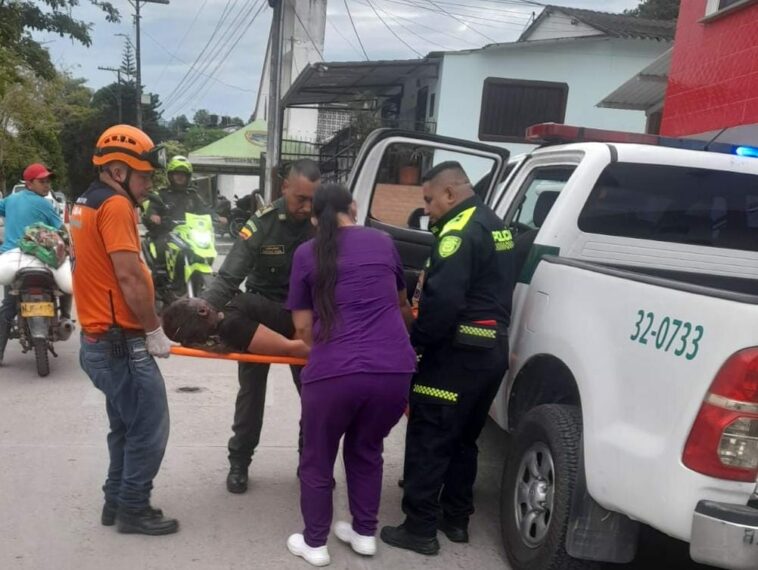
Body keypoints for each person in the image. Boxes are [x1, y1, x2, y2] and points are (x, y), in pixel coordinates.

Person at [380, 162, 515, 555]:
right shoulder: (496, 224)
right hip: (491, 352)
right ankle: (456, 520)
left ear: (450, 195)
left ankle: (419, 528)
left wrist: (416, 343)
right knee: (463, 439)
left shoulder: (456, 233)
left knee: (429, 435)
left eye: (429, 200)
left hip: (456, 354)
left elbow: (444, 303)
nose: (426, 209)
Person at [284, 183, 416, 566]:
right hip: (394, 370)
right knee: (366, 449)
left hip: (334, 372)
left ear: (314, 219)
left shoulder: (306, 253)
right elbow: (401, 303)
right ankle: (363, 534)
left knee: (318, 456)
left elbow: (304, 328)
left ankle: (315, 543)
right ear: (353, 208)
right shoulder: (383, 241)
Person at [69, 124, 178, 536]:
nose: (149, 185)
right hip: (120, 341)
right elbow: (129, 276)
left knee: (126, 425)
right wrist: (153, 329)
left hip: (100, 339)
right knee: (149, 429)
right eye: (144, 176)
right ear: (117, 170)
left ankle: (115, 499)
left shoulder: (84, 202)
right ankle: (133, 507)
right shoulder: (115, 206)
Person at [202, 158, 320, 494]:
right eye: (301, 199)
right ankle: (239, 462)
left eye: (313, 199)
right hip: (261, 317)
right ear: (285, 188)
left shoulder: (321, 223)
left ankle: (309, 461)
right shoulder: (262, 223)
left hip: (303, 321)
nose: (306, 207)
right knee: (251, 392)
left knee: (314, 396)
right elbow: (229, 275)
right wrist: (205, 312)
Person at [0, 163, 72, 365]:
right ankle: (65, 316)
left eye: (48, 180)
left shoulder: (11, 200)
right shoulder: (45, 205)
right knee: (65, 285)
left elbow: (1, 207)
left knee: (8, 306)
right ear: (29, 184)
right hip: (41, 258)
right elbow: (61, 230)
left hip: (12, 258)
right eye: (42, 181)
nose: (47, 185)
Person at [161, 294, 309, 360]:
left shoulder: (227, 318)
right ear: (202, 311)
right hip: (321, 331)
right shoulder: (233, 328)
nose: (196, 296)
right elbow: (291, 348)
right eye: (190, 299)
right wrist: (331, 350)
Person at [141, 156, 211, 276]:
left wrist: (216, 216)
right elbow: (152, 208)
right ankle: (162, 278)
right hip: (167, 232)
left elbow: (204, 210)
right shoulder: (162, 194)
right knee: (162, 247)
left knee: (205, 248)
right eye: (177, 173)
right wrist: (153, 215)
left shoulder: (193, 195)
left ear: (188, 177)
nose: (180, 176)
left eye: (183, 174)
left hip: (189, 234)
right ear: (170, 176)